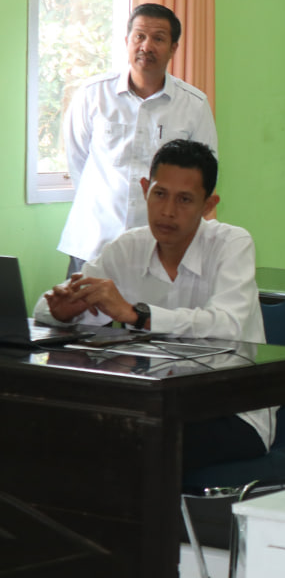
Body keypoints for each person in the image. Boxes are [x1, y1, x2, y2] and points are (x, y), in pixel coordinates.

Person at [35, 140, 269, 469]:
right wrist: (61, 313)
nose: (168, 211)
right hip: (149, 405)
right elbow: (46, 307)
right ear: (145, 190)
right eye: (160, 194)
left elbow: (226, 324)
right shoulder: (126, 248)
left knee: (129, 444)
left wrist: (138, 316)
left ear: (208, 205)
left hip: (229, 411)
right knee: (60, 426)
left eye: (184, 199)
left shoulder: (232, 244)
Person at [58, 3, 217, 276]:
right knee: (81, 305)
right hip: (94, 242)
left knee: (153, 306)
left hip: (159, 248)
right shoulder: (93, 95)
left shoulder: (193, 105)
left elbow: (204, 174)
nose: (146, 46)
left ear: (174, 48)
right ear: (126, 41)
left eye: (158, 38)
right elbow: (78, 162)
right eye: (139, 36)